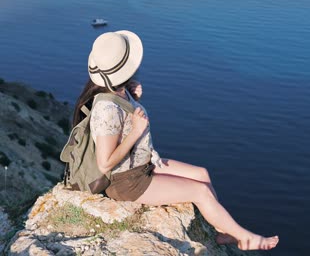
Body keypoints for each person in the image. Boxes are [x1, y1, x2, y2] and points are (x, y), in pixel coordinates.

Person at [72, 30, 279, 251]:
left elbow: (124, 122)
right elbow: (105, 163)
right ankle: (244, 238)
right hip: (126, 183)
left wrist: (134, 99)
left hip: (142, 167)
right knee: (200, 192)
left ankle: (224, 231)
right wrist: (136, 131)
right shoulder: (106, 108)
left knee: (201, 174)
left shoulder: (120, 93)